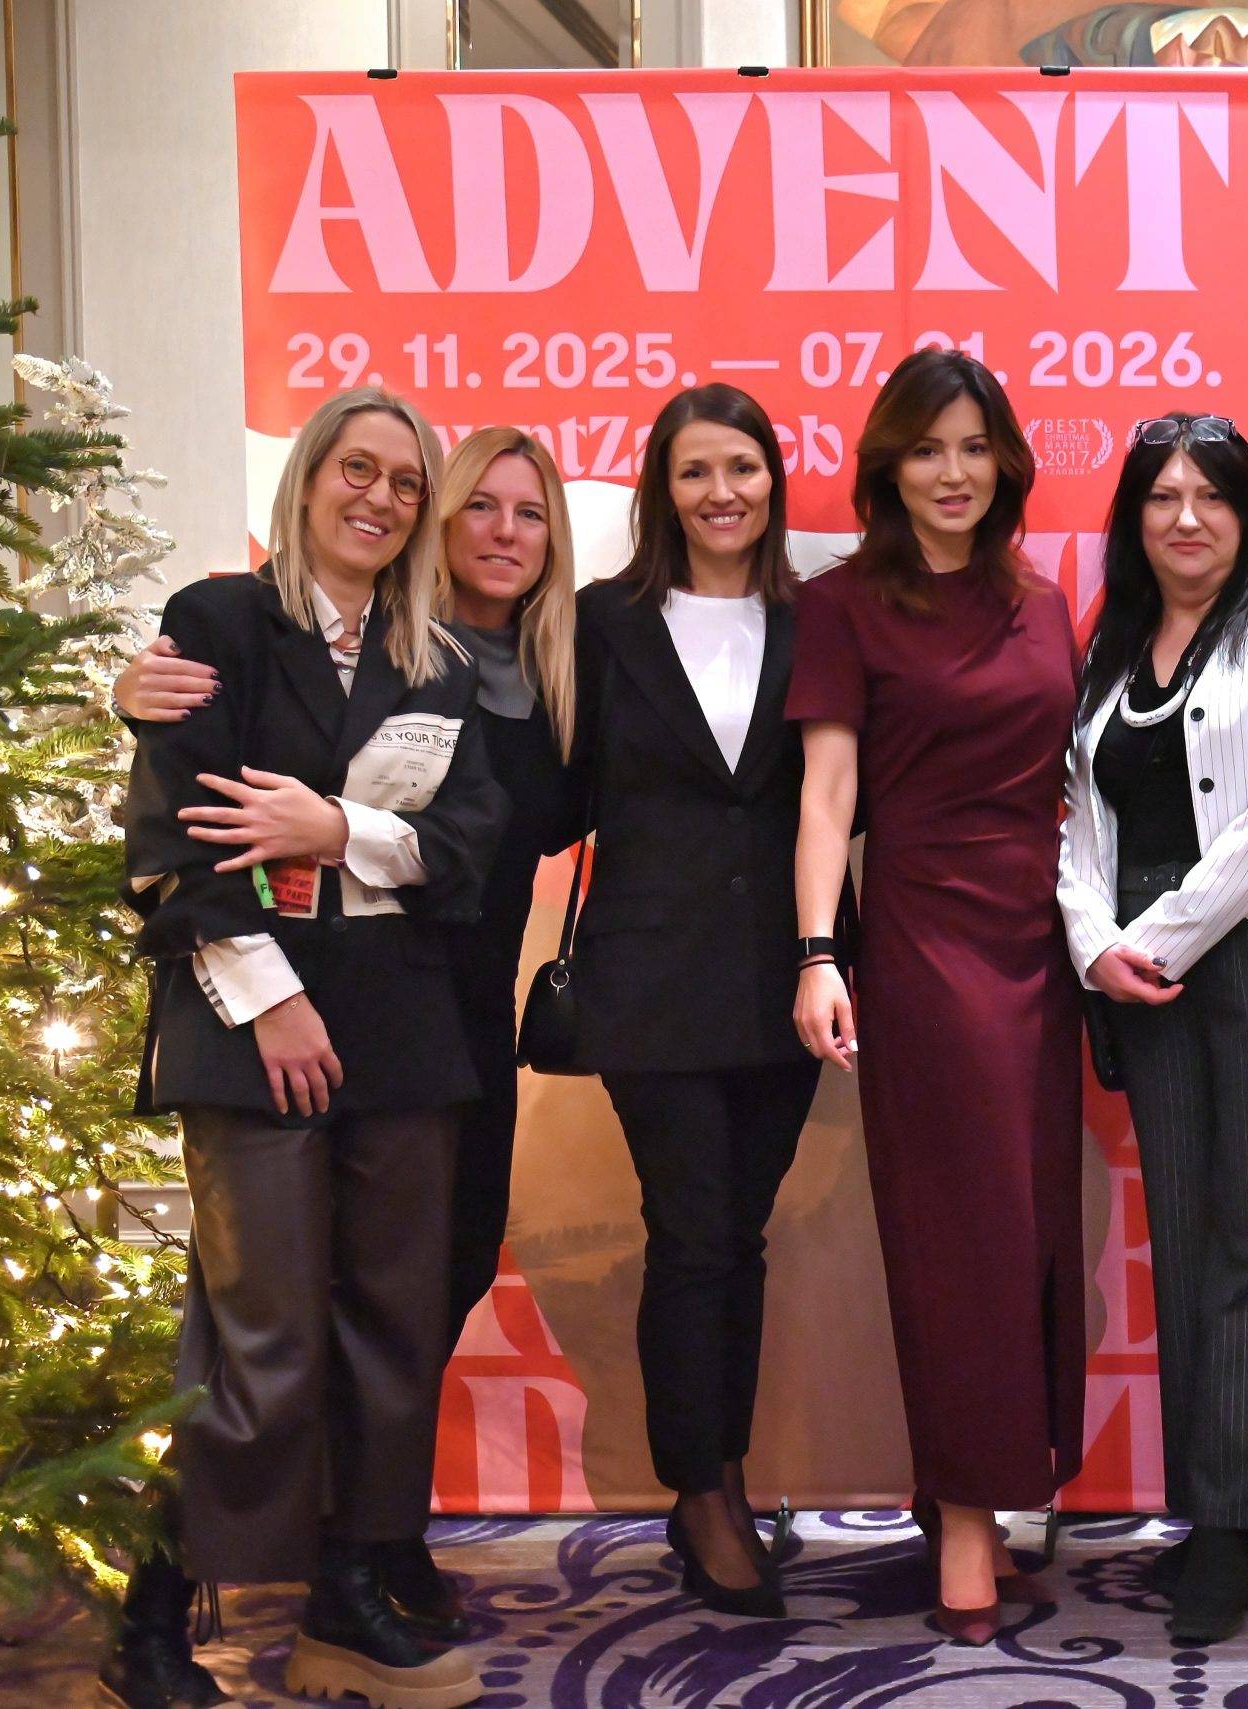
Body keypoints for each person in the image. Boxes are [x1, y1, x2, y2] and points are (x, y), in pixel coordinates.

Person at [115, 427, 587, 1643]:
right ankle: (157, 1609)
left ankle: (352, 1580)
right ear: (311, 476)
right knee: (262, 1333)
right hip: (248, 1015)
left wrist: (339, 829)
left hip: (406, 1022)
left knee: (395, 1326)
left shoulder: (431, 653)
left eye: (403, 481)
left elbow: (468, 843)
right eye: (358, 470)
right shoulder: (220, 619)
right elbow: (177, 827)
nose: (379, 497)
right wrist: (270, 999)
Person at [1053, 413, 1248, 1644]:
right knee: (1189, 1237)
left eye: (1212, 495)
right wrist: (1094, 940)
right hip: (1147, 975)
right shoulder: (1112, 642)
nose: (1186, 518)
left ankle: (1244, 1521)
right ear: (1133, 518)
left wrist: (1166, 932)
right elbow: (1076, 814)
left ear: (1247, 512)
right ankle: (1218, 1505)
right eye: (1161, 496)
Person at [788, 349, 1082, 1645]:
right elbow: (827, 795)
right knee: (957, 1238)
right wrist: (818, 952)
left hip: (1042, 938)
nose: (953, 472)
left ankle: (980, 1484)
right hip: (924, 939)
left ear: (1004, 462)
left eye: (974, 447)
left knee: (1029, 1229)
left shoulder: (1045, 600)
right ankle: (965, 1514)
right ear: (888, 467)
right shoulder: (843, 603)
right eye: (927, 449)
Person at [571, 384, 820, 1617]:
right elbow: (553, 784)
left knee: (743, 1234)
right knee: (693, 1232)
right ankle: (701, 1488)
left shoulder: (813, 619)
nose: (722, 492)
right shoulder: (599, 621)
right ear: (661, 492)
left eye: (743, 468)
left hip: (786, 979)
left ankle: (722, 1471)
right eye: (694, 472)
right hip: (650, 981)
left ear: (773, 480)